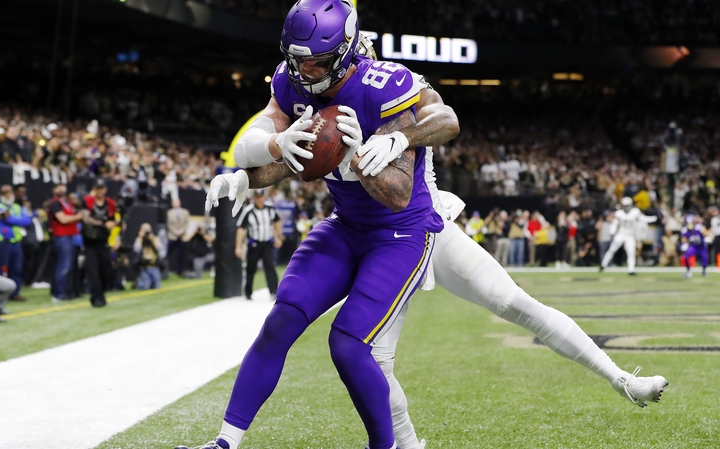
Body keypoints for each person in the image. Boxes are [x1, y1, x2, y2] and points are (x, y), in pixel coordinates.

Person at [207, 25, 669, 449]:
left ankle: (619, 377)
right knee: (364, 356)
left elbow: (420, 157)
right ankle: (403, 445)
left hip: (417, 229)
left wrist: (391, 142)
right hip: (358, 233)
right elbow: (291, 157)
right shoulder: (304, 90)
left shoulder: (388, 93)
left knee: (516, 304)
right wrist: (244, 178)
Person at [190, 2, 444, 448]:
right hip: (345, 225)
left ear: (345, 51)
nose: (305, 71)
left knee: (347, 344)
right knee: (280, 320)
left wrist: (358, 152)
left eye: (317, 61)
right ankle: (225, 442)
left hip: (400, 232)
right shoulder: (290, 82)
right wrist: (244, 177)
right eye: (298, 59)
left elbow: (398, 193)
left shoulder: (384, 86)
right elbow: (280, 159)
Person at [235, 189, 283, 301]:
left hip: (267, 242)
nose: (260, 199)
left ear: (264, 197)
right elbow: (241, 229)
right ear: (254, 198)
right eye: (257, 197)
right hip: (254, 243)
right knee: (251, 268)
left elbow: (276, 222)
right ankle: (248, 293)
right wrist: (238, 246)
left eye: (261, 197)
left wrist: (279, 237)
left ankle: (274, 291)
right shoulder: (248, 211)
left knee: (270, 266)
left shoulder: (271, 208)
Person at [0, 184, 32, 302]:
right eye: (5, 194)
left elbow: (27, 220)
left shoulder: (17, 207)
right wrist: (16, 220)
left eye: (9, 193)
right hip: (3, 242)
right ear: (1, 196)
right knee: (1, 269)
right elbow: (6, 219)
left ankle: (15, 293)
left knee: (17, 269)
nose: (8, 196)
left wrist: (13, 219)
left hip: (16, 242)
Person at [80, 179, 116, 307]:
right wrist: (102, 223)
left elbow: (113, 220)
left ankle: (100, 293)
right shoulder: (88, 201)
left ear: (105, 189)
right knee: (93, 270)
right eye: (98, 188)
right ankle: (97, 297)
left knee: (106, 269)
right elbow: (85, 218)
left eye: (102, 188)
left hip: (103, 240)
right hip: (90, 240)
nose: (100, 191)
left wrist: (114, 225)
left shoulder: (110, 203)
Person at [599, 197, 658, 275]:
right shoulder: (619, 213)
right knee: (612, 250)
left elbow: (642, 218)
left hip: (629, 236)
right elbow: (615, 223)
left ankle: (631, 270)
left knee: (631, 253)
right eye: (625, 205)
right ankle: (603, 265)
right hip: (621, 235)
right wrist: (612, 232)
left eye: (627, 205)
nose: (626, 207)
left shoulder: (634, 212)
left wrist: (653, 218)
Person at [48, 184, 82, 302]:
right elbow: (63, 219)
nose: (62, 189)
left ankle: (66, 291)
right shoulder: (55, 204)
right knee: (64, 266)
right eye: (58, 187)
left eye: (63, 187)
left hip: (70, 236)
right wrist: (79, 216)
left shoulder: (67, 202)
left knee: (68, 266)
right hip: (61, 236)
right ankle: (59, 293)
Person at [167, 197, 191, 278]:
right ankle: (166, 270)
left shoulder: (185, 212)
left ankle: (181, 271)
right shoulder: (169, 212)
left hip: (182, 236)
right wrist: (175, 231)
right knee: (168, 254)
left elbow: (186, 223)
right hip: (172, 236)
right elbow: (169, 224)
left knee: (182, 255)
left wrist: (181, 231)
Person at [134, 223, 162, 290]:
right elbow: (136, 249)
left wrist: (152, 239)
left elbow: (160, 250)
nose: (146, 231)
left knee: (157, 286)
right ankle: (138, 283)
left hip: (154, 266)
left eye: (147, 229)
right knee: (145, 287)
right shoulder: (139, 239)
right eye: (144, 229)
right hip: (144, 267)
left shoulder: (155, 238)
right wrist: (140, 237)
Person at [681, 214, 710, 278]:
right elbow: (683, 239)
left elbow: (706, 233)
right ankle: (688, 271)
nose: (690, 224)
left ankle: (704, 271)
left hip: (701, 246)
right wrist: (683, 244)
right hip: (693, 246)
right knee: (686, 257)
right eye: (688, 223)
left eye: (691, 222)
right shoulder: (685, 230)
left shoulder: (699, 227)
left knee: (705, 258)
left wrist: (708, 237)